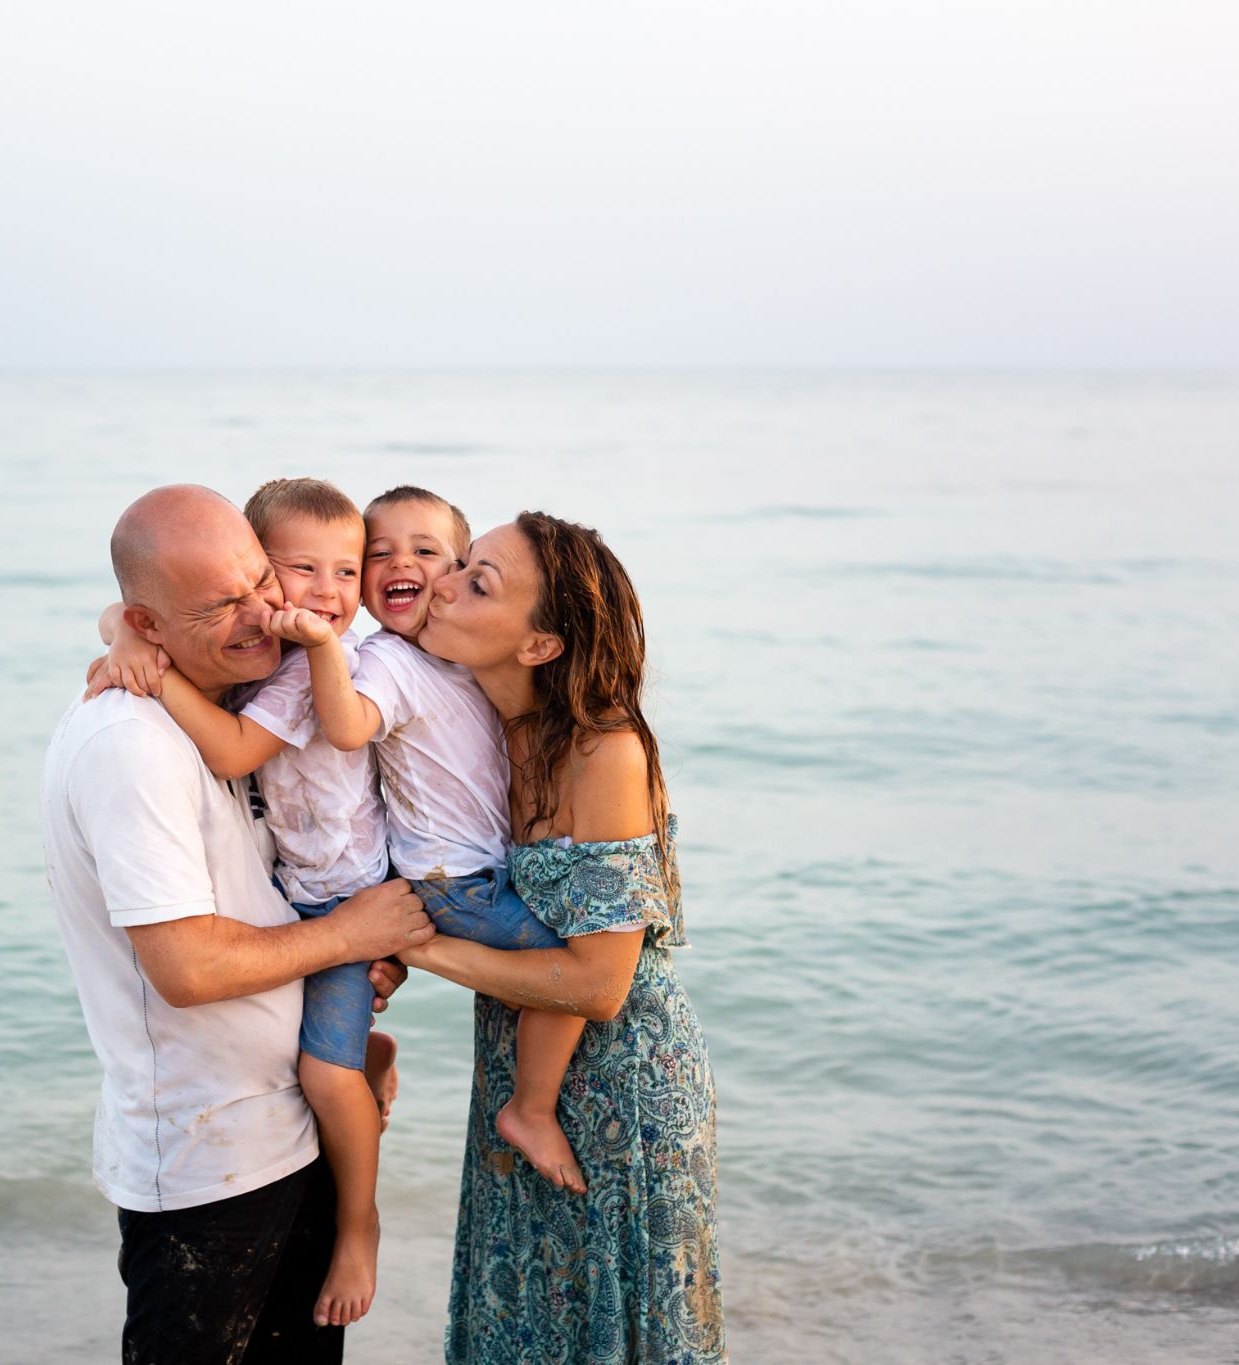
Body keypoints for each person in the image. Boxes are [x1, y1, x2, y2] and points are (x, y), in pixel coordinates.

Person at [40, 484, 434, 1365]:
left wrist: (361, 954)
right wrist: (349, 936)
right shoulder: (130, 745)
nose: (261, 612)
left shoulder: (244, 693)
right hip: (203, 1166)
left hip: (289, 1131)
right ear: (151, 622)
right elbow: (185, 966)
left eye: (261, 578)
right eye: (221, 604)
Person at [399, 511, 726, 1364]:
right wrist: (120, 633)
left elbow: (600, 984)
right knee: (518, 1320)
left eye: (479, 582)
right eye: (461, 564)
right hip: (513, 1068)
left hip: (624, 1093)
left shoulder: (605, 752)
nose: (443, 582)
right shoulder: (465, 714)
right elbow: (315, 630)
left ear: (539, 644)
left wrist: (416, 947)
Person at [271, 485, 593, 1195]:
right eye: (376, 553)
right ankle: (531, 1110)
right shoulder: (386, 660)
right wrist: (324, 643)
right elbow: (349, 724)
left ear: (456, 575)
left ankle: (373, 1061)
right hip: (452, 881)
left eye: (425, 551)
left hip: (466, 871)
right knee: (565, 964)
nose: (398, 562)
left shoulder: (461, 656)